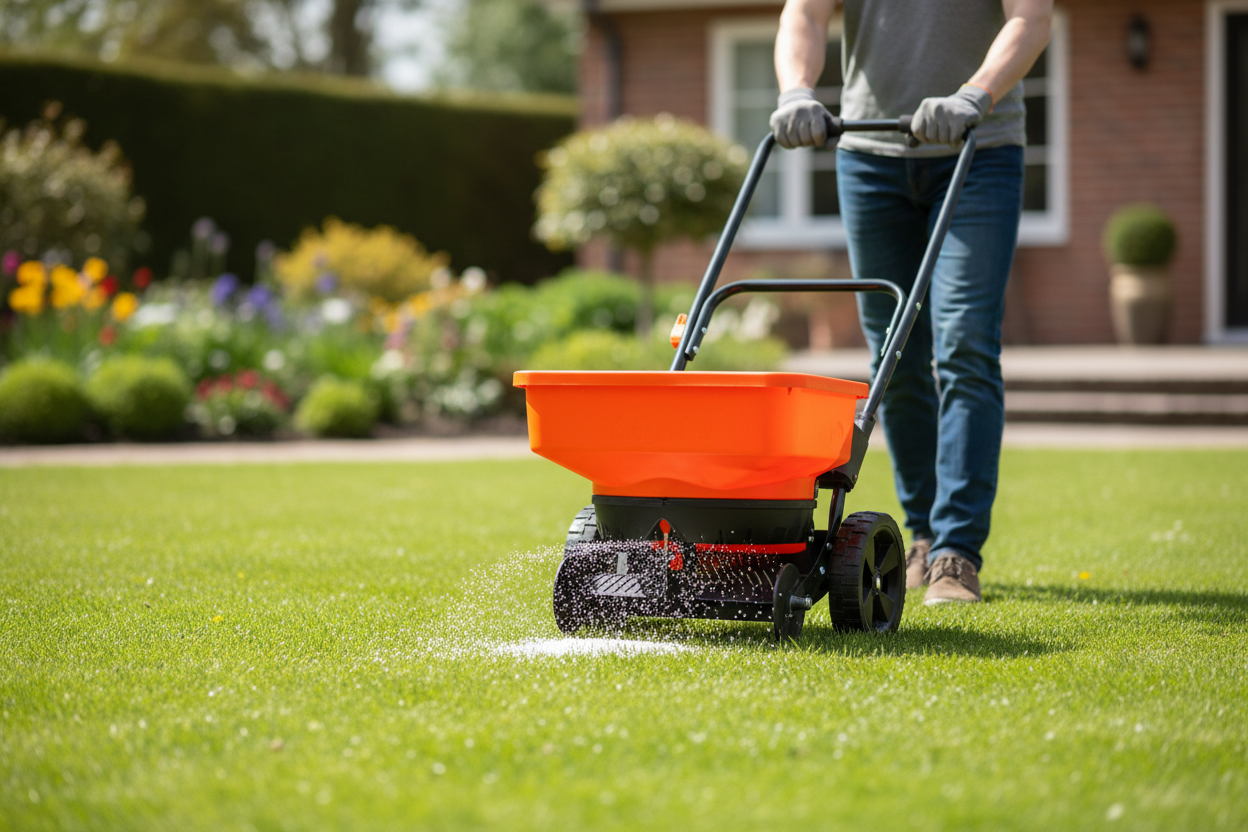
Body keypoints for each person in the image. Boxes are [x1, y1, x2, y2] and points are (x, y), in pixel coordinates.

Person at [770, 0, 1052, 604]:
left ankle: (957, 552)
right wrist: (795, 92)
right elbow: (806, 15)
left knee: (965, 343)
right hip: (870, 157)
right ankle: (923, 535)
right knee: (892, 356)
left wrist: (976, 93)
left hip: (979, 148)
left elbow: (1029, 19)